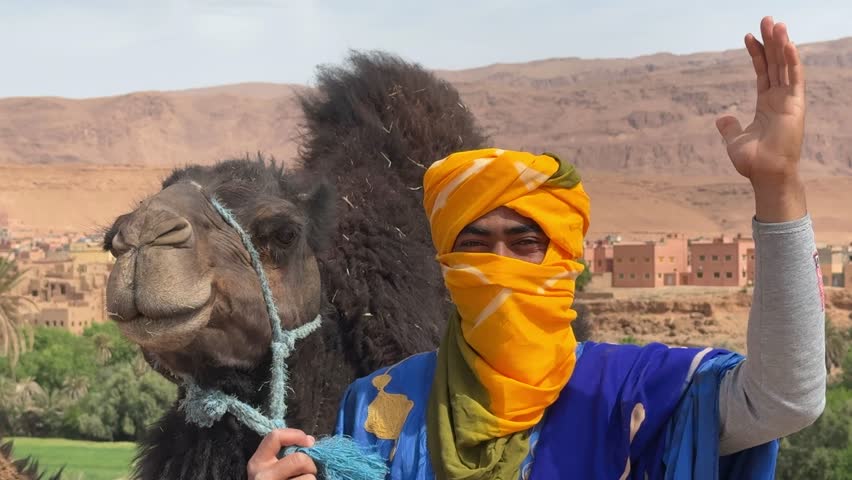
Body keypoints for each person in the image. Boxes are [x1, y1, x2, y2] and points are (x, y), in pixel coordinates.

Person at [248, 16, 825, 480]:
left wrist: (777, 183)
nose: (499, 268)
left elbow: (786, 399)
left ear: (567, 261)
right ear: (447, 265)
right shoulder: (381, 404)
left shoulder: (633, 391)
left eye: (525, 244)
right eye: (475, 246)